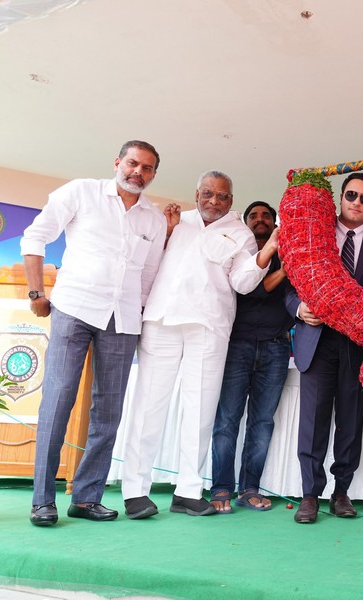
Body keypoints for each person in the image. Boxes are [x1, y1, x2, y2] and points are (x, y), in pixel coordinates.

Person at [21, 141, 166, 527]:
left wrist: (139, 317)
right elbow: (35, 237)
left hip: (123, 320)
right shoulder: (81, 192)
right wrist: (36, 293)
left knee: (109, 411)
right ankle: (42, 501)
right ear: (118, 162)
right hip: (74, 309)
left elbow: (149, 275)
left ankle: (86, 498)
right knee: (58, 400)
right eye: (133, 163)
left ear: (153, 174)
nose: (138, 172)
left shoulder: (153, 219)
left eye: (147, 168)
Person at [120, 171, 276, 519]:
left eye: (221, 196)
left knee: (201, 411)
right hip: (161, 320)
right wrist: (168, 232)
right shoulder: (174, 221)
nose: (213, 201)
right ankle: (135, 491)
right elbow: (147, 264)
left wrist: (267, 252)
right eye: (207, 194)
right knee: (149, 406)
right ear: (196, 194)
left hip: (209, 326)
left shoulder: (241, 233)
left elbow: (243, 283)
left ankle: (188, 492)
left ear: (231, 201)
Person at [285, 173, 363, 524]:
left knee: (350, 422)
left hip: (357, 345)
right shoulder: (313, 234)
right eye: (351, 195)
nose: (356, 203)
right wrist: (300, 309)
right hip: (316, 340)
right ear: (340, 197)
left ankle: (341, 492)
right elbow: (289, 287)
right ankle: (309, 495)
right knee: (313, 423)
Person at [209, 201, 295, 513]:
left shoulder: (289, 253)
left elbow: (291, 295)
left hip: (276, 346)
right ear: (246, 224)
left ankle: (249, 489)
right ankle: (221, 489)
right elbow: (251, 290)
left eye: (266, 216)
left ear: (274, 222)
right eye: (254, 216)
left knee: (262, 422)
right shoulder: (239, 254)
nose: (260, 220)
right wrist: (282, 271)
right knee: (227, 420)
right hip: (237, 345)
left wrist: (285, 266)